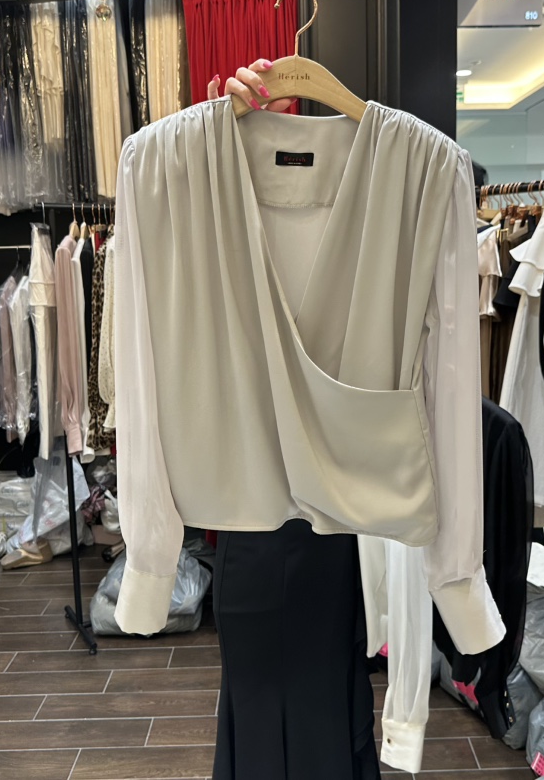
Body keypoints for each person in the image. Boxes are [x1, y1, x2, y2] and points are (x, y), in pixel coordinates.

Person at [202, 59, 381, 780]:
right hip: (252, 506)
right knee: (267, 696)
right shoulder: (203, 187)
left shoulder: (390, 183)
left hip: (346, 520)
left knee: (328, 691)